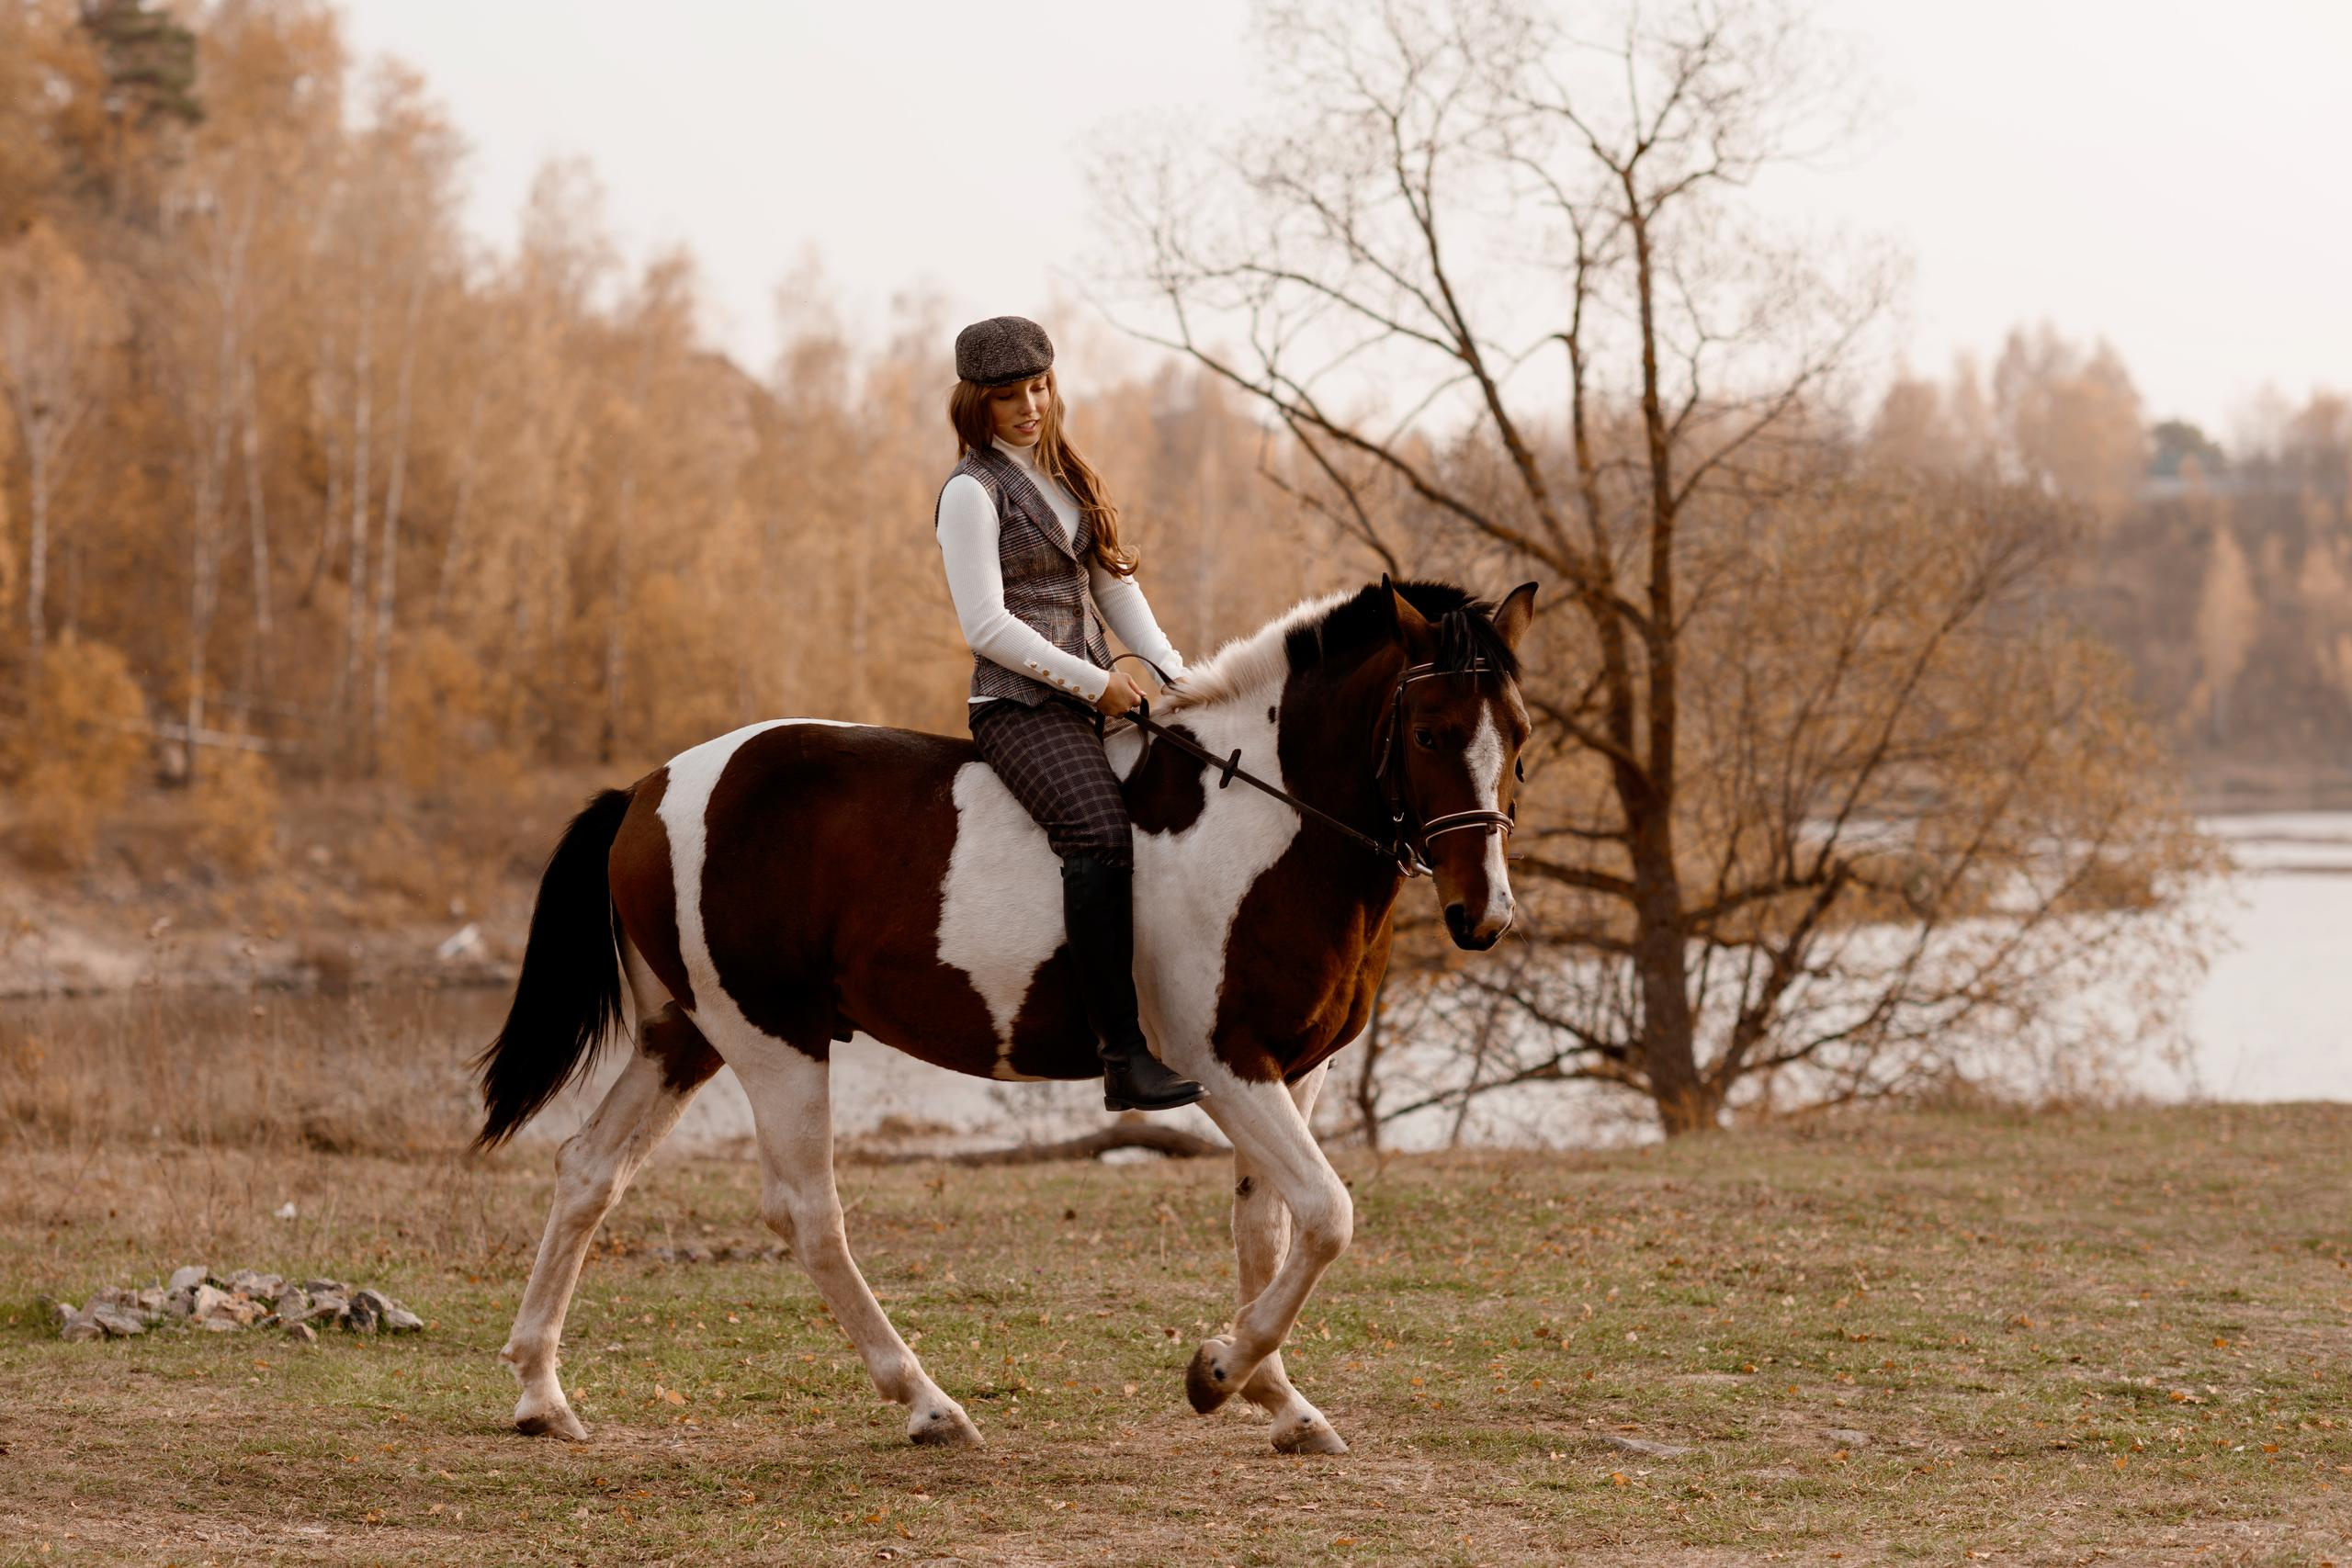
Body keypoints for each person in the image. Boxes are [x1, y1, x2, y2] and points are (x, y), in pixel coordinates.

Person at [933, 315, 1206, 1112]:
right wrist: (1096, 683)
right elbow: (984, 626)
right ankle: (1121, 1054)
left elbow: (1112, 585)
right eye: (1009, 395)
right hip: (1020, 708)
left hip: (1098, 696)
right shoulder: (970, 493)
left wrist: (1174, 673)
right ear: (976, 403)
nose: (1030, 406)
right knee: (1097, 831)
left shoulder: (1069, 473)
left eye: (1041, 386)